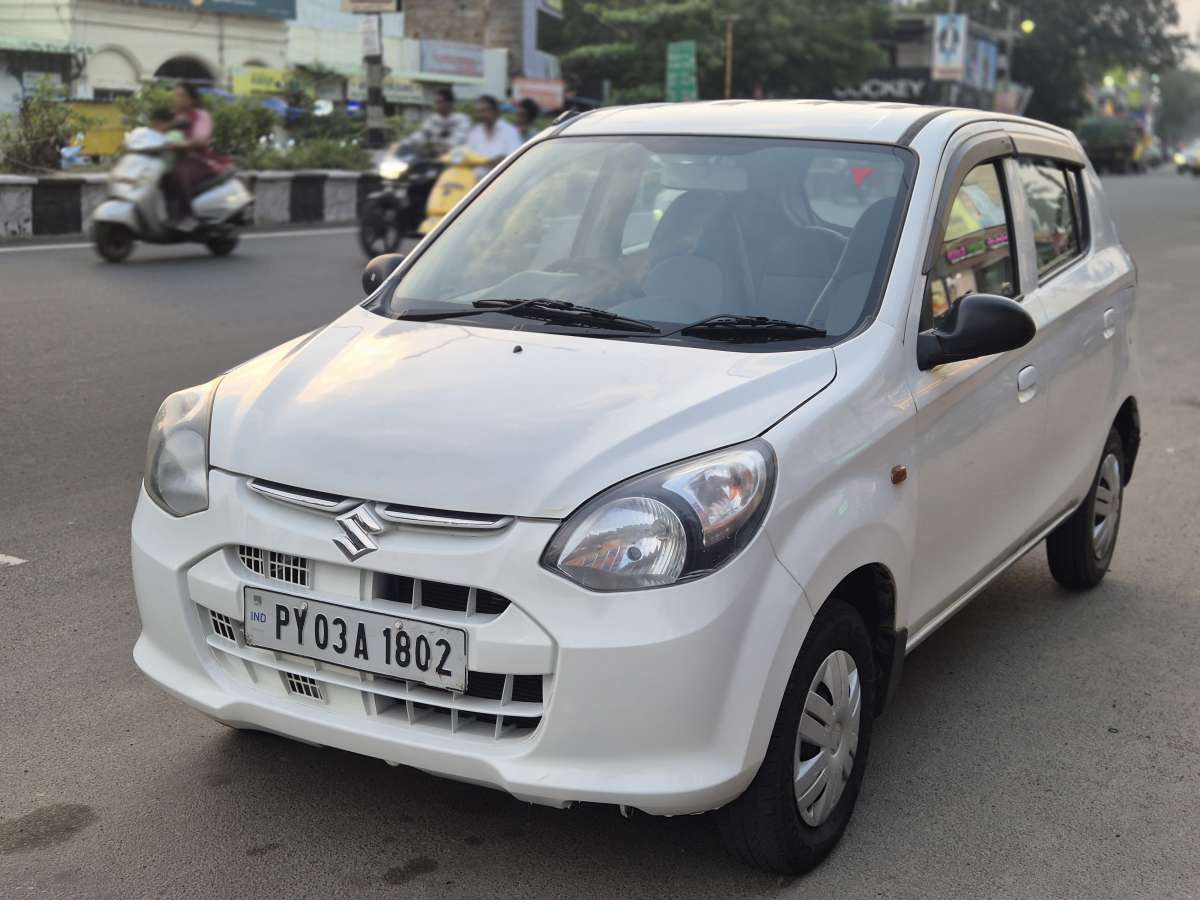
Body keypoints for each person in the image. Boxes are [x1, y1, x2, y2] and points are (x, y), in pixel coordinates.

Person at [167, 83, 218, 229]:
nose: (177, 99)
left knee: (181, 173)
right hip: (171, 158)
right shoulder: (172, 116)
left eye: (182, 96)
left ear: (191, 99)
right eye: (176, 95)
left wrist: (181, 145)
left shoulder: (201, 116)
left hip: (196, 160)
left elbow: (201, 138)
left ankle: (187, 215)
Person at [465, 95, 522, 165]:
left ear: (495, 110)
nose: (481, 115)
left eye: (484, 110)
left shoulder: (510, 131)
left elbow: (515, 158)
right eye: (478, 111)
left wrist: (499, 161)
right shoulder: (474, 132)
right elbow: (467, 157)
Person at [415, 87, 470, 155]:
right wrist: (406, 144)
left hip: (455, 156)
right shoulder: (432, 120)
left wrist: (442, 147)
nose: (437, 105)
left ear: (450, 103)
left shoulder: (462, 119)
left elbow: (458, 140)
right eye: (436, 102)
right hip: (433, 156)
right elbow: (421, 135)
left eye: (440, 102)